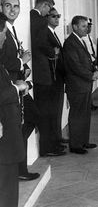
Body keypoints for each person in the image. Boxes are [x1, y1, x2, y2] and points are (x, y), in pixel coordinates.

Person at [0, 0, 40, 180]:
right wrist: (21, 61)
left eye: (16, 6)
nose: (12, 10)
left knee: (30, 119)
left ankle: (19, 168)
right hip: (9, 88)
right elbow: (4, 62)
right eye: (8, 6)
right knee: (19, 126)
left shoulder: (11, 29)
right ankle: (17, 170)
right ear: (1, 7)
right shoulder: (2, 31)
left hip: (18, 83)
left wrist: (24, 68)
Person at [30, 0, 66, 157]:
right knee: (45, 112)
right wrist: (53, 52)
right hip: (43, 74)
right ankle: (47, 148)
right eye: (49, 9)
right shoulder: (38, 19)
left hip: (43, 74)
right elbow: (40, 43)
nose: (49, 13)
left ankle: (50, 145)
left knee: (47, 111)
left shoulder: (33, 18)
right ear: (44, 5)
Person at [0, 12, 28, 207]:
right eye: (3, 33)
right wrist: (17, 88)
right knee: (7, 187)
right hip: (4, 131)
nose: (4, 37)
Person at [63, 15, 98, 154]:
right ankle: (75, 145)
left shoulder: (80, 40)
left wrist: (94, 70)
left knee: (85, 114)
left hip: (83, 85)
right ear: (75, 27)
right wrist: (91, 75)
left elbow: (86, 61)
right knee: (77, 115)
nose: (87, 28)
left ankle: (84, 141)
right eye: (83, 26)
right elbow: (75, 66)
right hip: (77, 86)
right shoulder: (71, 43)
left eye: (87, 26)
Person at [46, 7, 67, 149]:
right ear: (46, 17)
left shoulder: (53, 33)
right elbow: (51, 54)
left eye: (58, 16)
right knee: (53, 110)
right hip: (52, 78)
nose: (57, 18)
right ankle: (54, 140)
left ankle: (57, 137)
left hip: (58, 77)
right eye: (53, 16)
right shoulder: (46, 33)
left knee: (58, 109)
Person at [82, 18, 98, 111]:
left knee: (90, 85)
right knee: (87, 84)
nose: (89, 28)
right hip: (88, 63)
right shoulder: (83, 38)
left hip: (93, 62)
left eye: (90, 26)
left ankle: (90, 103)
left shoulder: (90, 37)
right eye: (87, 26)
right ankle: (89, 104)